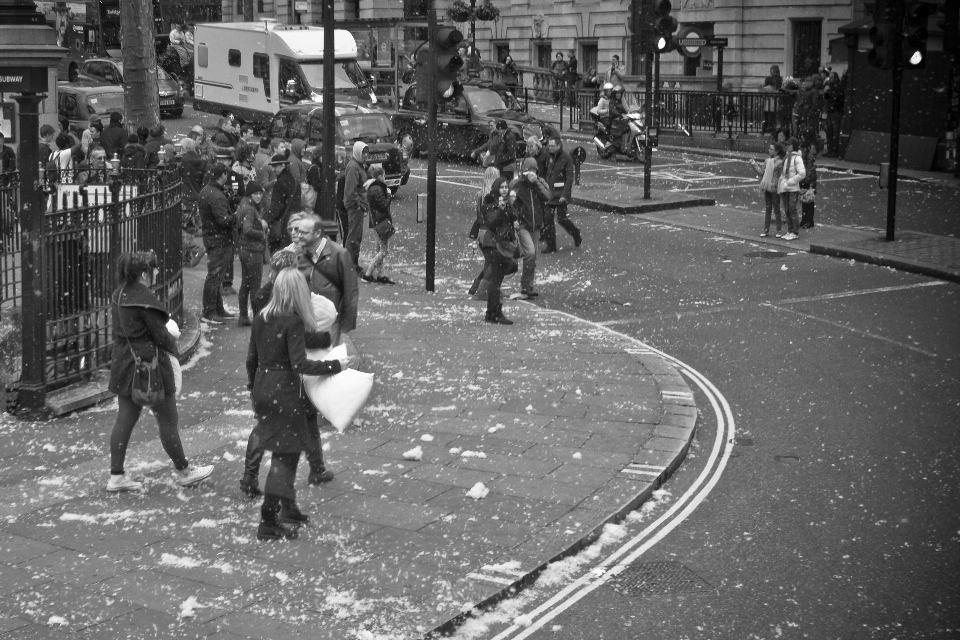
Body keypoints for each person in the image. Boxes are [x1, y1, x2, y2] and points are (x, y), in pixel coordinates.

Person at [246, 267, 353, 540]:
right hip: (284, 390)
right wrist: (335, 365)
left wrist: (254, 389)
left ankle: (288, 508)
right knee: (285, 455)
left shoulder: (261, 317)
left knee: (290, 448)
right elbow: (300, 363)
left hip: (263, 387)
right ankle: (269, 521)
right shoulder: (291, 321)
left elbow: (252, 359)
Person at [106, 251, 213, 492]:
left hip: (125, 363)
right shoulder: (144, 299)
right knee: (168, 420)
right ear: (145, 273)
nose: (156, 274)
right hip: (150, 366)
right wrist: (172, 338)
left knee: (124, 419)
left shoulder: (119, 294)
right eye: (154, 270)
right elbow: (161, 336)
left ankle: (116, 476)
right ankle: (185, 471)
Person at [292, 212, 359, 347]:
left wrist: (347, 322)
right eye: (299, 231)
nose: (299, 236)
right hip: (305, 316)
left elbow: (350, 289)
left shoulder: (339, 254)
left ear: (317, 234)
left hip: (330, 318)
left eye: (304, 233)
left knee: (327, 358)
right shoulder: (298, 253)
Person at [199, 163, 238, 323]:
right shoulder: (216, 195)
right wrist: (236, 215)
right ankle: (209, 312)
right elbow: (224, 221)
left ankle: (217, 309)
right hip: (219, 240)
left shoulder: (207, 191)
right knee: (215, 277)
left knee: (216, 276)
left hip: (212, 238)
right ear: (222, 176)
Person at [480, 177, 518, 325]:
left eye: (506, 187)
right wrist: (501, 211)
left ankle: (490, 313)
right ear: (496, 188)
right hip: (495, 245)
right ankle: (495, 313)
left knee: (497, 278)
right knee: (495, 280)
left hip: (504, 244)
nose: (504, 189)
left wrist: (509, 205)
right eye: (501, 187)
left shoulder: (506, 202)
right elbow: (492, 223)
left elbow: (514, 217)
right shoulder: (490, 202)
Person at [511, 157, 549, 298]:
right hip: (523, 225)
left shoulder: (540, 182)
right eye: (528, 170)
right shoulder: (517, 184)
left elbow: (547, 196)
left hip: (536, 225)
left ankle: (528, 286)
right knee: (530, 253)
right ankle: (526, 284)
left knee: (533, 257)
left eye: (533, 170)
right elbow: (510, 201)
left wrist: (536, 183)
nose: (531, 173)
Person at [468, 166, 503, 299]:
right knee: (494, 264)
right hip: (491, 232)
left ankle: (478, 288)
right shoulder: (494, 196)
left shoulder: (480, 194)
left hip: (482, 232)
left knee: (490, 263)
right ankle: (481, 290)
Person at [541, 135, 581, 253]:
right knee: (547, 219)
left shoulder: (567, 158)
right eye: (549, 146)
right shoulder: (548, 156)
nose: (550, 148)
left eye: (553, 146)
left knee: (562, 219)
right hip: (550, 193)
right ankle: (551, 245)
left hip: (561, 194)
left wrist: (565, 195)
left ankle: (575, 233)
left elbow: (569, 178)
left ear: (559, 146)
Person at [237, 181, 267, 326]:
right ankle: (256, 318)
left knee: (246, 284)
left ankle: (243, 316)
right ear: (250, 194)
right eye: (255, 193)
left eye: (260, 193)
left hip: (245, 250)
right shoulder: (249, 209)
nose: (258, 196)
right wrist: (262, 234)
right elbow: (247, 229)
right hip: (252, 251)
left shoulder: (243, 204)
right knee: (254, 286)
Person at [362, 165, 395, 285]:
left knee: (379, 249)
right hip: (379, 222)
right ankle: (368, 274)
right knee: (384, 251)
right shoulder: (377, 189)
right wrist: (389, 195)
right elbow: (383, 205)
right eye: (384, 175)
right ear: (380, 176)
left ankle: (381, 275)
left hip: (377, 221)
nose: (385, 178)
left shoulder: (375, 187)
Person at [265, 149, 300, 255]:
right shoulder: (295, 182)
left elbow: (276, 206)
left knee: (279, 258)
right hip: (294, 224)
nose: (273, 169)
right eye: (272, 166)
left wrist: (265, 220)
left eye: (276, 166)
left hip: (282, 225)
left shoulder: (279, 183)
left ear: (283, 166)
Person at [343, 142, 370, 275]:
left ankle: (353, 264)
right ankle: (350, 266)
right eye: (363, 152)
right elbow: (350, 191)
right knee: (353, 237)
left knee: (356, 237)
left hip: (358, 207)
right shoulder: (354, 167)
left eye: (367, 153)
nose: (365, 155)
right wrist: (358, 205)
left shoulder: (358, 165)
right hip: (355, 208)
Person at [751, 142, 784, 238]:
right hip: (766, 187)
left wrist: (780, 187)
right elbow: (761, 172)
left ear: (776, 151)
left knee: (776, 209)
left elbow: (781, 176)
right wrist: (754, 164)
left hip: (774, 189)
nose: (769, 150)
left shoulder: (780, 162)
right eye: (769, 149)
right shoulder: (767, 161)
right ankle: (766, 230)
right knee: (768, 209)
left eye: (771, 149)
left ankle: (779, 230)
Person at [777, 137, 806, 241]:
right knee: (787, 210)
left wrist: (790, 182)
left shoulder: (797, 158)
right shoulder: (787, 157)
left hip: (793, 188)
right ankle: (789, 230)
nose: (786, 146)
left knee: (792, 210)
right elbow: (783, 173)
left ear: (793, 146)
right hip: (785, 187)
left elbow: (802, 173)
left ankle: (795, 232)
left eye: (789, 144)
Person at [822, 71, 843, 157]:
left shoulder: (838, 86)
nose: (829, 79)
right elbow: (826, 97)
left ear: (835, 78)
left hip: (836, 111)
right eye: (829, 78)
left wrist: (829, 92)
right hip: (830, 111)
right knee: (829, 131)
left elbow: (837, 97)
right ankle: (829, 149)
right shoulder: (829, 85)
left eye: (831, 78)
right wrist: (826, 92)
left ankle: (835, 151)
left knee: (835, 132)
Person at [799, 136, 818, 229]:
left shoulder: (811, 148)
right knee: (804, 198)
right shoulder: (804, 147)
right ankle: (804, 219)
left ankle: (809, 221)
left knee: (809, 199)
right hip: (804, 175)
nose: (802, 137)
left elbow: (809, 165)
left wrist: (806, 178)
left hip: (809, 177)